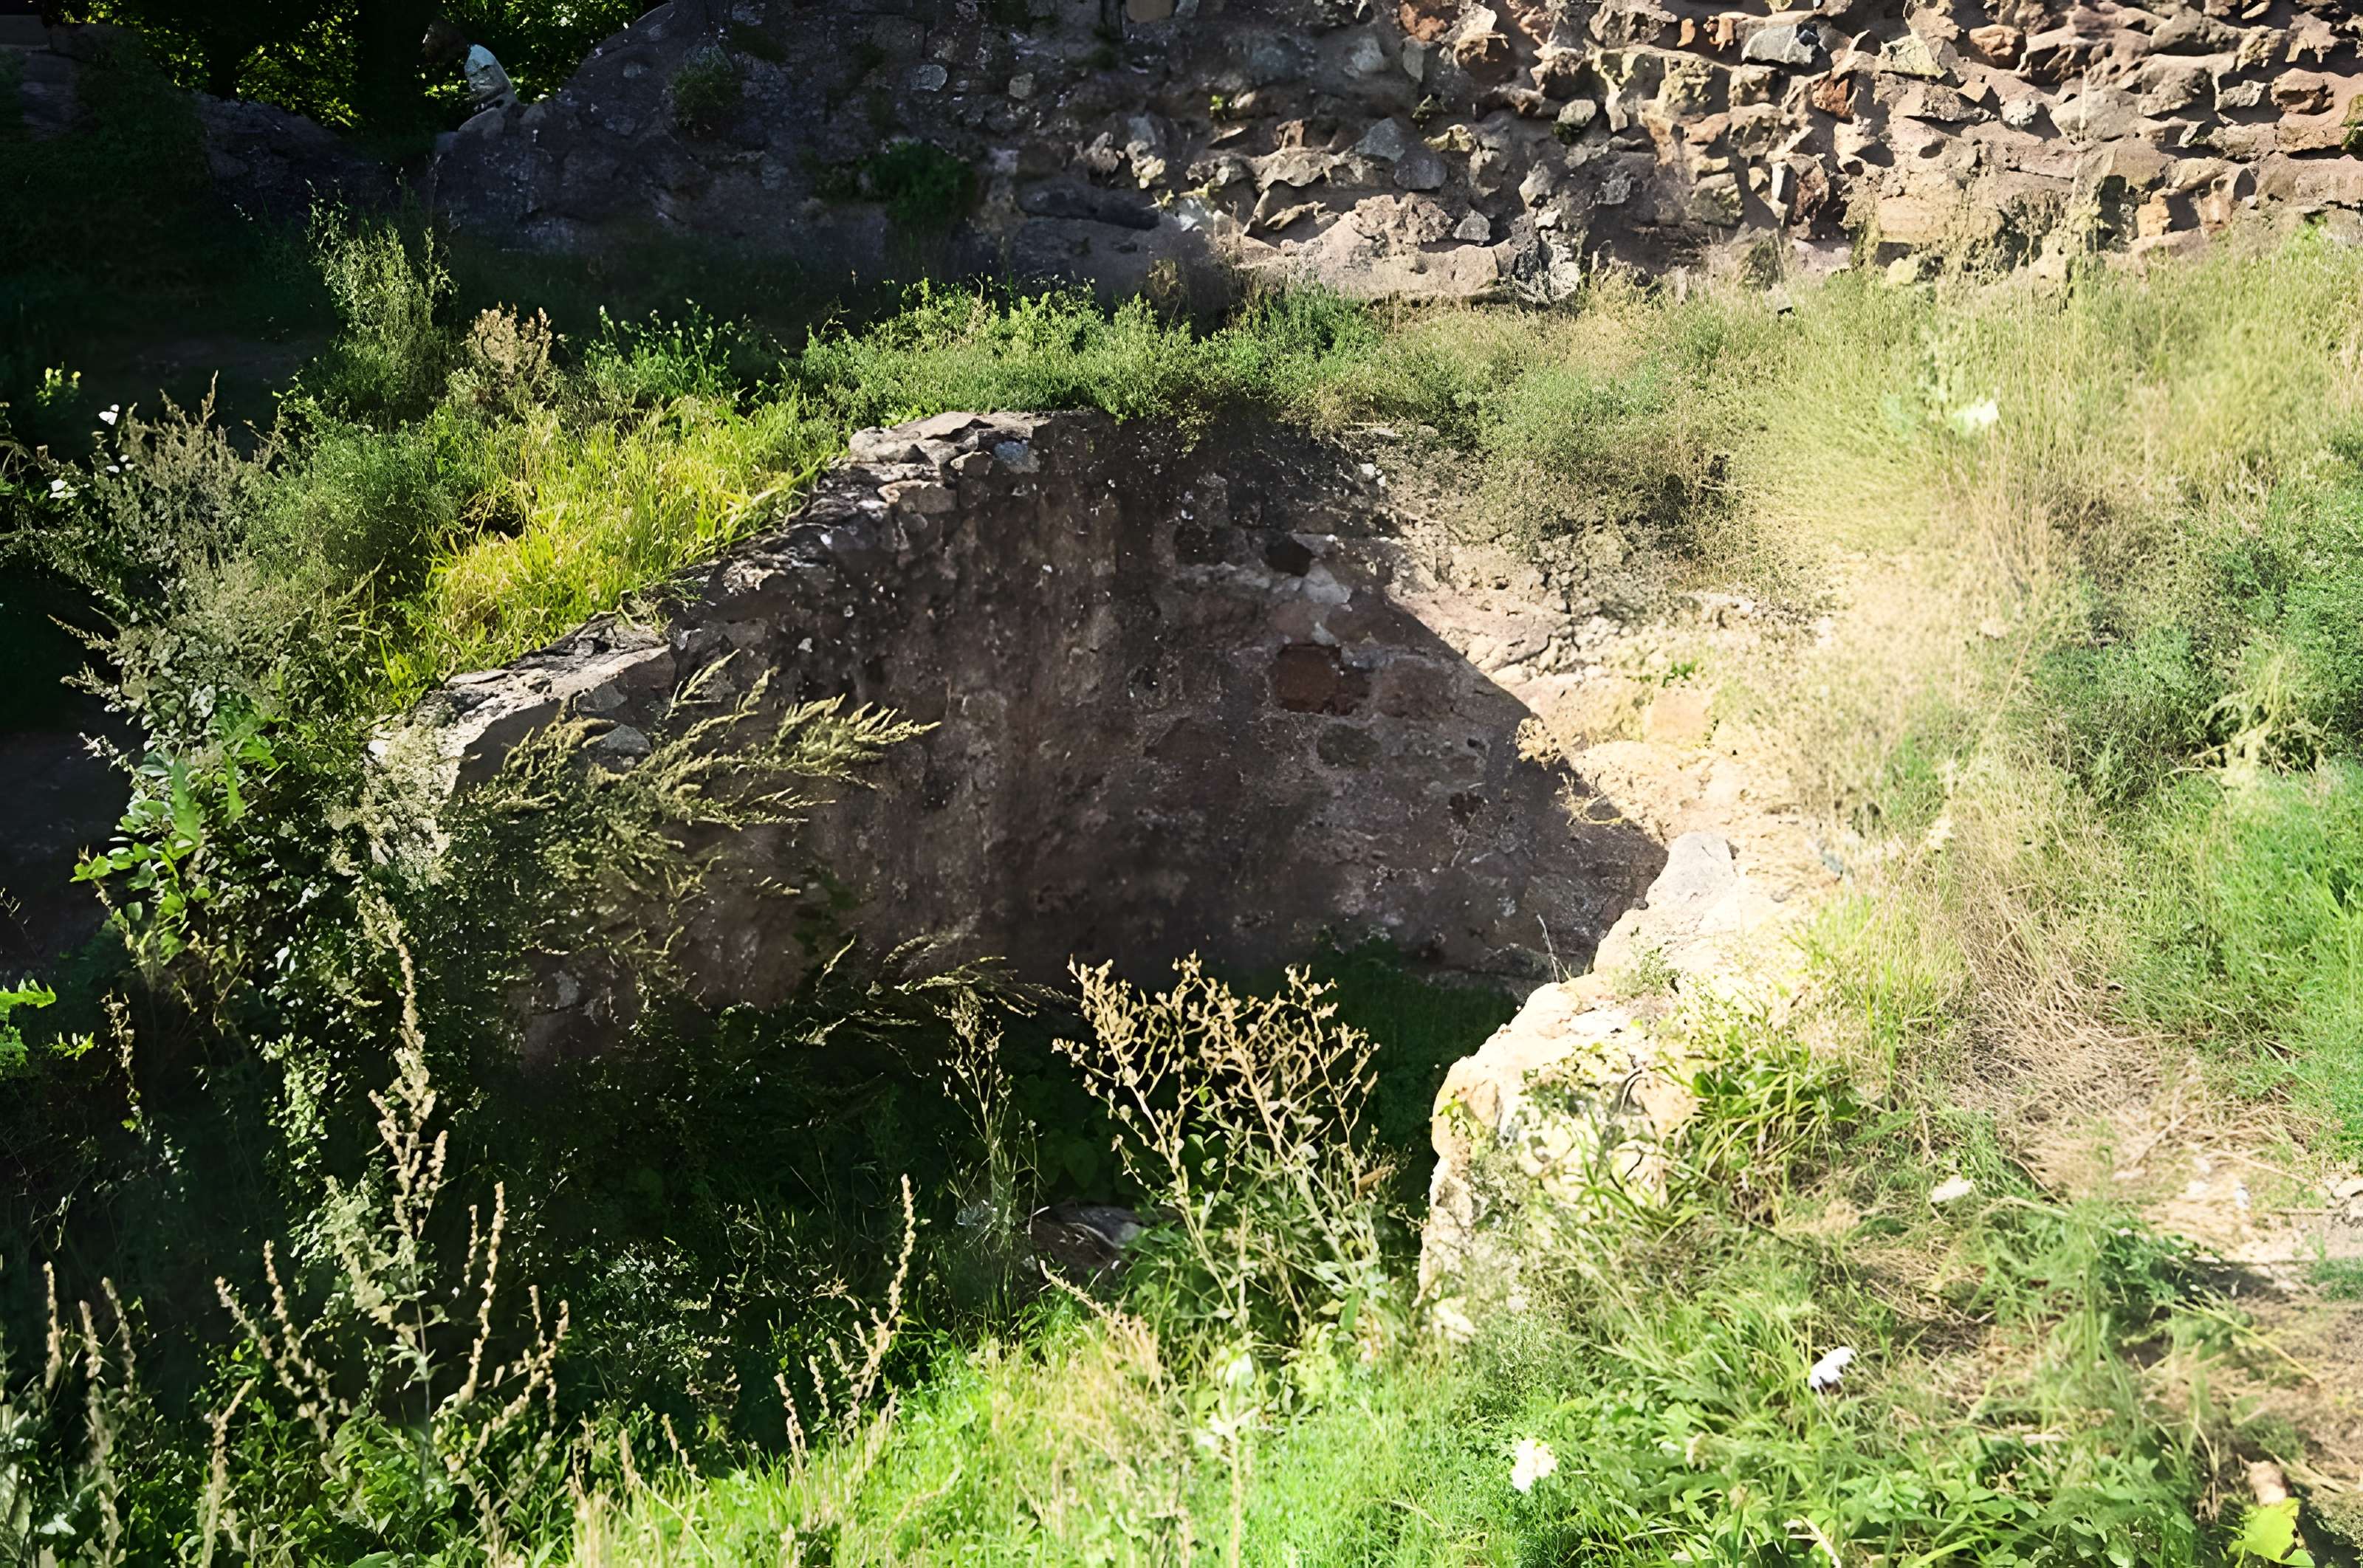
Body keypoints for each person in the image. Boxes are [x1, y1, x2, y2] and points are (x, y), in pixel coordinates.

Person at [422, 19, 518, 113]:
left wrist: (466, 100)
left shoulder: (475, 56)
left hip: (504, 110)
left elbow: (495, 90)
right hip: (499, 109)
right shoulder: (472, 55)